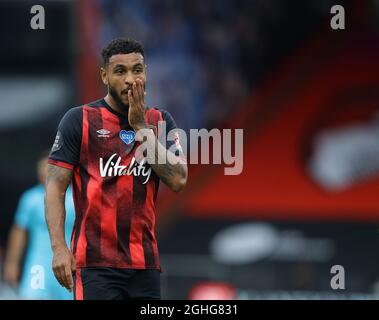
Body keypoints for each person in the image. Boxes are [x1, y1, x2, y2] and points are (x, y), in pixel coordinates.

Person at [45, 38, 188, 300]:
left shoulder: (160, 121)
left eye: (137, 69)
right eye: (120, 71)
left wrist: (141, 128)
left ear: (145, 73)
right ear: (104, 76)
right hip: (95, 265)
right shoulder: (79, 120)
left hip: (145, 266)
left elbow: (178, 179)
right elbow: (54, 187)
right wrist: (58, 248)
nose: (131, 79)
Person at [3, 152, 75, 299]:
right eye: (41, 168)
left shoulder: (76, 197)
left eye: (48, 168)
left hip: (70, 265)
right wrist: (12, 263)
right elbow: (19, 232)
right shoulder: (30, 198)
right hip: (38, 265)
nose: (44, 172)